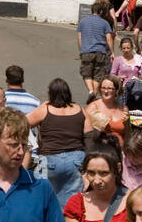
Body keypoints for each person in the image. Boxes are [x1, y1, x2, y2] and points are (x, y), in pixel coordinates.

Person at [27, 79, 93, 208]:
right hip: (76, 159)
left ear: (51, 93)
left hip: (50, 158)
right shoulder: (80, 110)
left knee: (43, 197)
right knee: (72, 200)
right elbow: (89, 135)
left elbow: (22, 122)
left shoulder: (45, 109)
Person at [77, 0, 115, 96]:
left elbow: (80, 38)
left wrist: (82, 50)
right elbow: (109, 39)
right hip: (100, 51)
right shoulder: (105, 23)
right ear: (101, 11)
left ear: (91, 10)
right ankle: (94, 93)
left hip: (86, 51)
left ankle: (90, 91)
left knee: (87, 73)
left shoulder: (82, 22)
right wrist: (112, 52)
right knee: (98, 75)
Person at [85, 76, 128, 144]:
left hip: (120, 150)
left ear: (116, 90)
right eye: (103, 88)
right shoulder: (93, 107)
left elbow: (127, 134)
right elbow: (85, 133)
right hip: (100, 149)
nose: (105, 91)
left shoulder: (123, 108)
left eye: (109, 88)